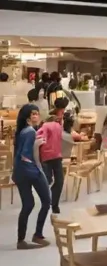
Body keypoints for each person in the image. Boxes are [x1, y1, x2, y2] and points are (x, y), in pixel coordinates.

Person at [13, 103, 50, 248]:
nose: (36, 116)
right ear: (28, 118)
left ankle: (21, 240)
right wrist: (36, 170)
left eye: (37, 113)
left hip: (20, 172)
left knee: (28, 204)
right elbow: (25, 155)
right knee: (46, 201)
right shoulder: (30, 132)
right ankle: (38, 234)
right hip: (30, 170)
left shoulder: (23, 131)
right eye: (33, 114)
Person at [37, 97, 78, 214]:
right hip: (46, 154)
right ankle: (47, 201)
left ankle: (54, 203)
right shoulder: (49, 120)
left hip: (56, 154)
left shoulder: (60, 119)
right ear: (61, 109)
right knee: (48, 179)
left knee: (59, 180)